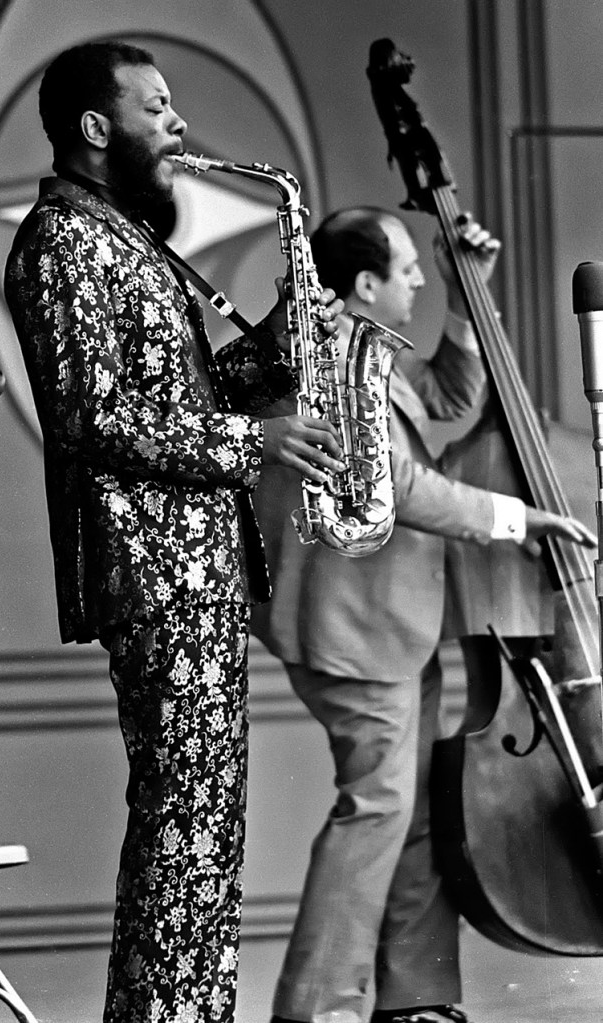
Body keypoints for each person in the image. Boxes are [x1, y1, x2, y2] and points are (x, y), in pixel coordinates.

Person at [3, 40, 345, 1023]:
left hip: (197, 575)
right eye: (156, 108)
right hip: (155, 576)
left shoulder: (127, 237)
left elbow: (183, 397)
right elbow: (90, 417)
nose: (178, 124)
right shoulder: (64, 240)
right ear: (95, 129)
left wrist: (281, 341)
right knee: (181, 831)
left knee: (205, 831)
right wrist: (256, 442)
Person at [250, 207, 596, 1023]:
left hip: (398, 621)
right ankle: (315, 1009)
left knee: (407, 811)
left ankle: (415, 999)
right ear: (363, 283)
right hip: (352, 627)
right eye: (407, 270)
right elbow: (397, 484)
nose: (415, 280)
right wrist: (517, 518)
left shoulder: (372, 352)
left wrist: (461, 289)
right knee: (376, 807)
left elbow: (445, 393)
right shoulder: (329, 354)